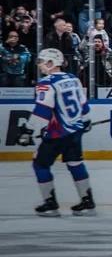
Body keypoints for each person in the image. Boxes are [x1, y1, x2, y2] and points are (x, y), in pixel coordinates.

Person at [17, 48, 94, 217]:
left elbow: (42, 110)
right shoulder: (73, 79)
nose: (40, 66)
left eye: (42, 62)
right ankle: (88, 202)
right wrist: (86, 120)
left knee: (40, 164)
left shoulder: (46, 83)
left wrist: (29, 130)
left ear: (51, 63)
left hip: (57, 133)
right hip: (75, 130)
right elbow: (84, 104)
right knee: (75, 163)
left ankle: (50, 204)